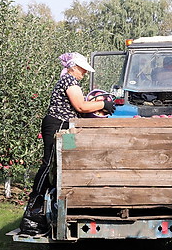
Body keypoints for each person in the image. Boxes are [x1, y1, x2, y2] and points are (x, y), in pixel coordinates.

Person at [30, 52, 116, 198]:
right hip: (57, 125)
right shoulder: (69, 80)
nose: (85, 72)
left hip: (67, 128)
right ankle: (35, 201)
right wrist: (103, 104)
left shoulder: (72, 82)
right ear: (74, 68)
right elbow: (81, 106)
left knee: (67, 158)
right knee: (50, 161)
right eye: (82, 68)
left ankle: (58, 196)